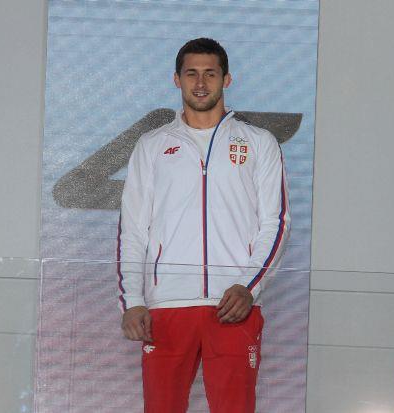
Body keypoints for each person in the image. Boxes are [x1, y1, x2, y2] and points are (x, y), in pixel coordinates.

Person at [117, 37, 290, 413]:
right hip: (166, 306)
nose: (200, 83)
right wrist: (133, 301)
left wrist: (248, 287)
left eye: (210, 74)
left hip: (232, 305)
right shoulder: (152, 145)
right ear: (176, 79)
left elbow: (275, 224)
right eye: (191, 73)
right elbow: (133, 229)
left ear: (226, 79)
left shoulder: (259, 143)